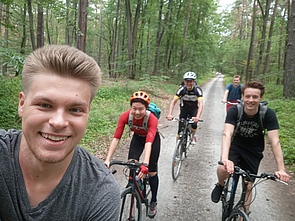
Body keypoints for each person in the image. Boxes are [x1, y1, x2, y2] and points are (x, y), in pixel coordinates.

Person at [0, 45, 120, 220]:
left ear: (88, 113)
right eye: (44, 105)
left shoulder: (100, 191)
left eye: (75, 109)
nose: (58, 122)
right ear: (22, 104)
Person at [211, 80, 290, 213]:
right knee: (222, 169)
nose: (251, 100)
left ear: (261, 98)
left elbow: (275, 141)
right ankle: (220, 184)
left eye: (255, 97)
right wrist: (225, 158)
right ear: (242, 97)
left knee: (248, 186)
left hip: (253, 150)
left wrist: (281, 169)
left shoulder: (268, 114)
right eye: (247, 96)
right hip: (235, 147)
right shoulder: (235, 111)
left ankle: (244, 214)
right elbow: (227, 134)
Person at [104, 91, 161, 219]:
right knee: (132, 165)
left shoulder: (152, 118)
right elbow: (116, 138)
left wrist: (145, 164)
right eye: (134, 108)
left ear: (146, 109)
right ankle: (134, 188)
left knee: (151, 172)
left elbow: (148, 143)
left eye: (140, 109)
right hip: (137, 138)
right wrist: (108, 160)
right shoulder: (125, 116)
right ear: (130, 107)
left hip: (152, 141)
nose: (137, 112)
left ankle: (153, 201)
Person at [167, 71, 203, 144]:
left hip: (193, 110)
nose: (189, 83)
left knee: (194, 125)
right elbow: (173, 102)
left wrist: (197, 117)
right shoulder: (182, 90)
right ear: (184, 81)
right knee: (180, 129)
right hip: (184, 110)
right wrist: (170, 114)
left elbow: (201, 104)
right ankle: (177, 148)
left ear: (194, 82)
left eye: (191, 81)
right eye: (187, 81)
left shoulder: (197, 90)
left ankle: (193, 136)